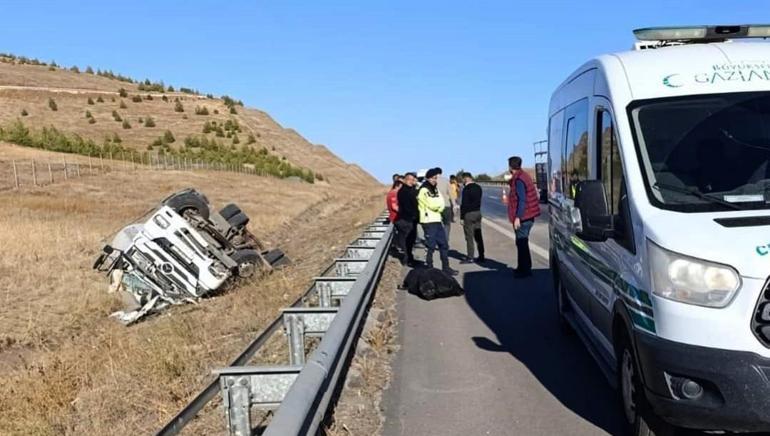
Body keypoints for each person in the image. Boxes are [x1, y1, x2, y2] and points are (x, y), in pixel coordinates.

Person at [503, 156, 541, 278]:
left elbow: (522, 200)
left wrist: (518, 217)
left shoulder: (519, 180)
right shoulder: (523, 176)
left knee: (522, 243)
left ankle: (525, 270)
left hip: (524, 217)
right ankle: (522, 267)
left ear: (510, 166)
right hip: (529, 215)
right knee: (522, 243)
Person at [418, 168, 456, 275]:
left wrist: (438, 207)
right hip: (428, 221)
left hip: (437, 220)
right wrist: (438, 206)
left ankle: (446, 267)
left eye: (436, 178)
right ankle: (429, 267)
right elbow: (432, 204)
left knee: (444, 245)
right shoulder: (423, 190)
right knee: (430, 246)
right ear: (428, 178)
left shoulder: (435, 189)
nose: (435, 180)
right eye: (433, 178)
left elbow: (441, 203)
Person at [460, 172, 485, 263]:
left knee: (469, 236)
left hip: (469, 214)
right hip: (478, 213)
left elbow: (464, 204)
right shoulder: (478, 187)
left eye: (462, 179)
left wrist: (462, 217)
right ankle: (481, 255)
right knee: (478, 235)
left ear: (465, 179)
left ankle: (470, 257)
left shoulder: (466, 189)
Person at [395, 172, 419, 266]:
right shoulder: (404, 191)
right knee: (408, 241)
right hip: (406, 219)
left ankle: (410, 258)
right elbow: (407, 206)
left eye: (412, 180)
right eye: (409, 180)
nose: (411, 181)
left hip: (411, 219)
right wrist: (414, 215)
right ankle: (407, 260)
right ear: (405, 180)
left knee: (411, 241)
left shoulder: (411, 190)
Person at [435, 168, 455, 242]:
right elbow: (451, 194)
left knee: (437, 224)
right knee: (447, 224)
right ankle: (446, 240)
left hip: (436, 206)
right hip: (446, 205)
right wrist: (454, 204)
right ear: (441, 172)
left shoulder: (433, 180)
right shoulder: (446, 180)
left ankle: (438, 240)